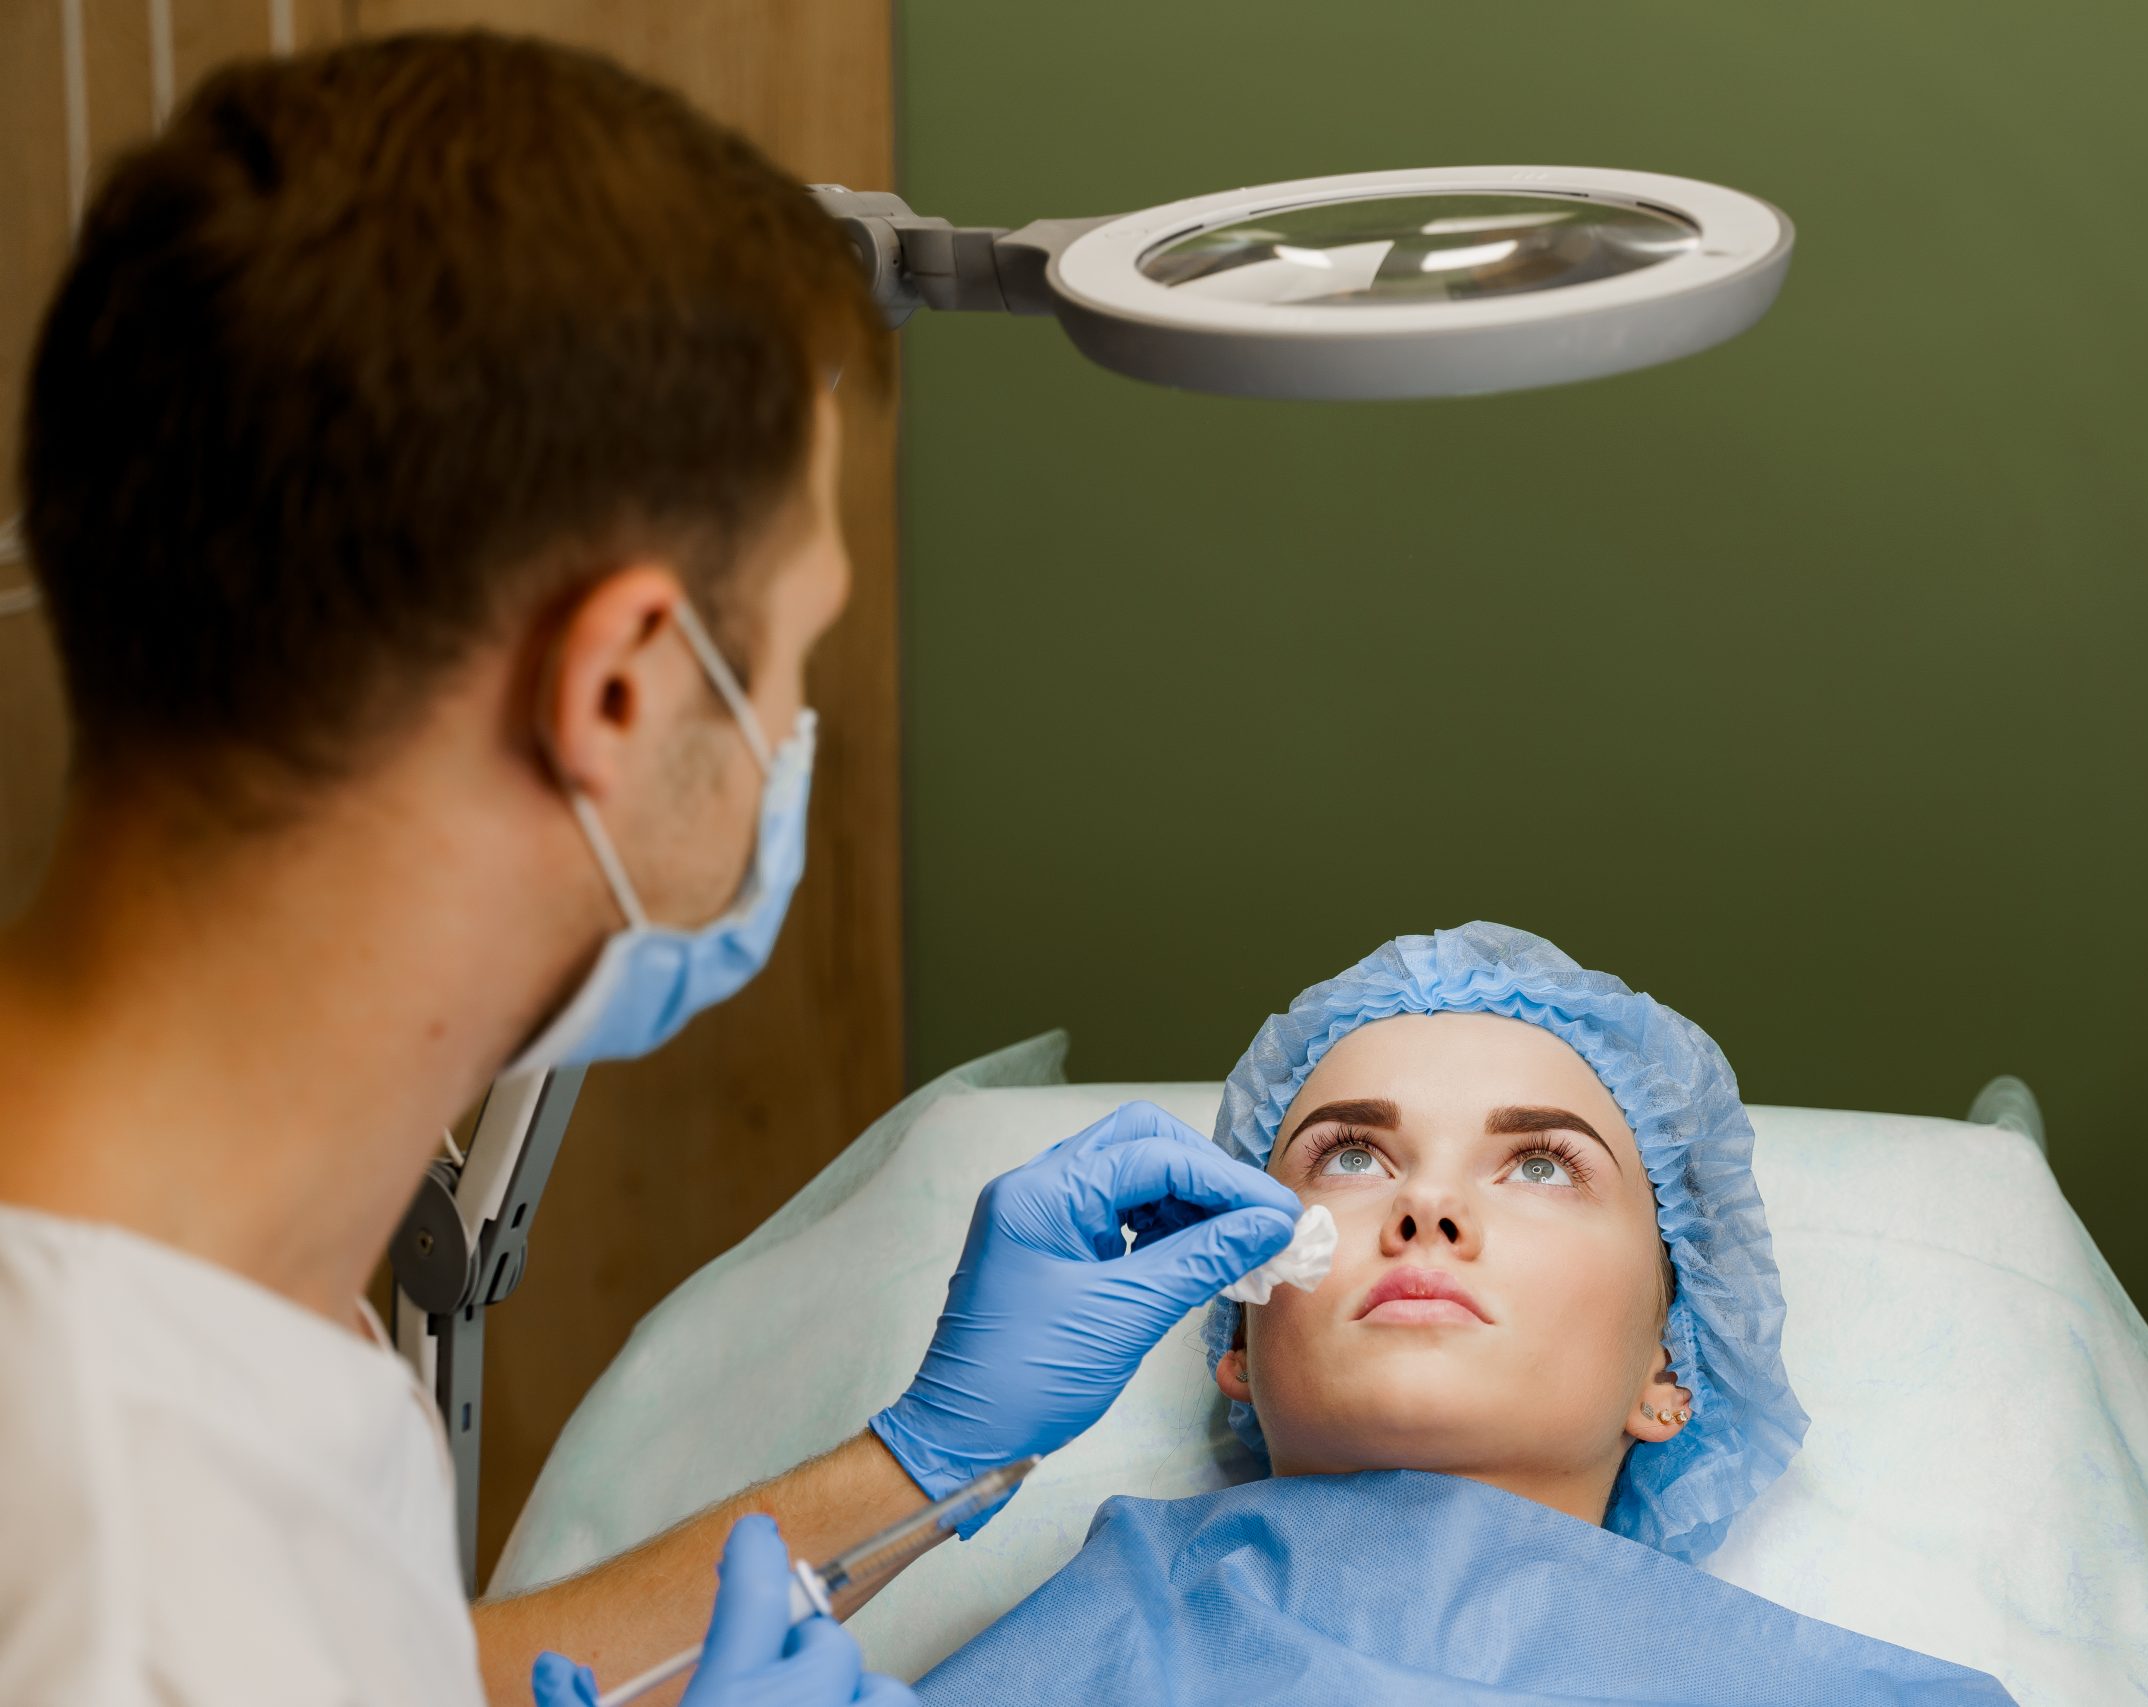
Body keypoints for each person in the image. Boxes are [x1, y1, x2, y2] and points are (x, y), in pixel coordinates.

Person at [0, 32, 1297, 1707]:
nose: (791, 728)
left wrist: (923, 1459)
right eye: (792, 647)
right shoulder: (110, 1553)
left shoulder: (194, 1258)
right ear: (615, 689)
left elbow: (386, 1667)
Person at [911, 924, 2018, 1703]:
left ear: (1668, 1373)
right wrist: (914, 1457)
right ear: (1238, 1338)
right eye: (1352, 1155)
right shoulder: (1093, 1630)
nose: (1427, 1204)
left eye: (1540, 1165)